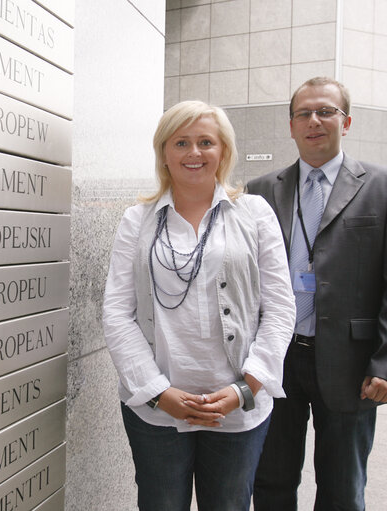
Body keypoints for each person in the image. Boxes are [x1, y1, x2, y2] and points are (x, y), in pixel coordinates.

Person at [102, 100, 296, 511]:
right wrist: (157, 392)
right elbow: (118, 313)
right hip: (158, 411)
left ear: (223, 150)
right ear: (164, 153)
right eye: (181, 142)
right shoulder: (136, 220)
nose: (194, 153)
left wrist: (247, 387)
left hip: (237, 407)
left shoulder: (255, 212)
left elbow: (279, 308)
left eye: (206, 142)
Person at [247, 76, 387, 510]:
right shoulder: (260, 191)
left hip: (354, 367)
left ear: (346, 122)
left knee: (342, 489)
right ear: (290, 125)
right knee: (269, 481)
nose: (314, 121)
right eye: (303, 113)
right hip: (277, 358)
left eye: (326, 111)